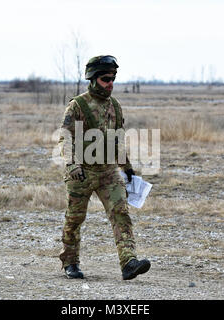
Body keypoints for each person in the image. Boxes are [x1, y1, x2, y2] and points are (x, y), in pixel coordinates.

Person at [58, 55, 151, 280]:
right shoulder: (77, 106)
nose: (110, 84)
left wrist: (126, 167)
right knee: (75, 218)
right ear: (93, 79)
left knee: (120, 213)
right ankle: (70, 262)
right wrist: (72, 165)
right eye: (106, 79)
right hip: (81, 172)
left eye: (113, 79)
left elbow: (116, 140)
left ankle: (128, 262)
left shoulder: (115, 106)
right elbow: (65, 139)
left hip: (108, 171)